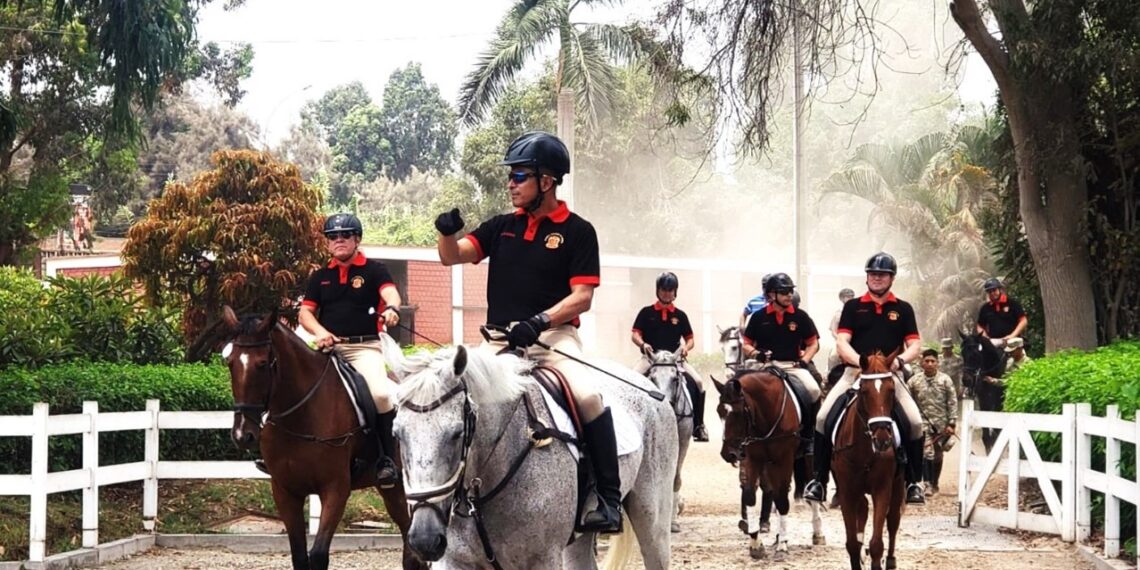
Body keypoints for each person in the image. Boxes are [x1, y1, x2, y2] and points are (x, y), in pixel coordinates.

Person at [434, 131, 621, 533]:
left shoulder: (577, 231)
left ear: (547, 181)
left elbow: (582, 297)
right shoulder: (501, 226)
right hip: (498, 343)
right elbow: (451, 257)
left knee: (588, 397)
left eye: (519, 176)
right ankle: (445, 497)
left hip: (552, 341)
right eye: (512, 177)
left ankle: (608, 498)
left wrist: (539, 322)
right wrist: (445, 232)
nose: (511, 184)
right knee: (450, 396)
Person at [804, 252, 928, 505]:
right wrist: (859, 360)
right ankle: (819, 481)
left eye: (882, 275)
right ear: (867, 277)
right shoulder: (853, 307)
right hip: (855, 373)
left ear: (891, 278)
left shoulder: (903, 309)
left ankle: (914, 482)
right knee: (822, 417)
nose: (876, 278)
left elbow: (914, 344)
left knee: (915, 422)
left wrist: (900, 361)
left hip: (889, 375)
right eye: (872, 274)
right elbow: (842, 342)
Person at [298, 212, 403, 487]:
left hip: (364, 347)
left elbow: (390, 294)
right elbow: (305, 314)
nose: (339, 240)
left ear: (357, 239)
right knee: (291, 382)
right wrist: (321, 333)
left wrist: (391, 309)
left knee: (381, 395)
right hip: (328, 348)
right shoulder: (319, 277)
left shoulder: (374, 270)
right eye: (333, 236)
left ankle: (386, 459)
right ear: (327, 243)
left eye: (345, 235)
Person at [740, 272, 822, 453]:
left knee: (814, 391)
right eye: (784, 292)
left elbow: (813, 343)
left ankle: (808, 437)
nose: (789, 295)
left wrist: (804, 360)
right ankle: (743, 437)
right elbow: (745, 344)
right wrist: (756, 354)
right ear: (771, 295)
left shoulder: (801, 317)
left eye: (790, 291)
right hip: (766, 367)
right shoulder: (758, 317)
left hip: (792, 367)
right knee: (741, 393)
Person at [632, 271, 709, 442]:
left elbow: (690, 339)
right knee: (632, 380)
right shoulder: (646, 312)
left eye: (670, 290)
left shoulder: (680, 315)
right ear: (658, 291)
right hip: (651, 359)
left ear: (675, 292)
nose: (667, 293)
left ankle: (699, 425)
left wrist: (685, 348)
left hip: (674, 360)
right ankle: (633, 421)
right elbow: (635, 334)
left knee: (698, 382)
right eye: (664, 290)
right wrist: (643, 344)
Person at [908, 349, 957, 496]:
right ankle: (927, 484)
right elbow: (908, 402)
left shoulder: (945, 380)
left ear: (937, 363)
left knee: (938, 454)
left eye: (932, 361)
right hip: (922, 423)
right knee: (926, 452)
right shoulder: (913, 381)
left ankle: (935, 483)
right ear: (922, 363)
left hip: (941, 424)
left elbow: (952, 402)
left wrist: (952, 423)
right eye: (926, 361)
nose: (929, 364)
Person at [976, 278, 1027, 345]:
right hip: (994, 341)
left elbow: (1023, 321)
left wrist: (1012, 335)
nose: (992, 293)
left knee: (1019, 354)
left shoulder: (1012, 303)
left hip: (1013, 339)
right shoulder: (985, 308)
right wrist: (985, 337)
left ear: (1000, 289)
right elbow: (980, 326)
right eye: (989, 291)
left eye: (994, 290)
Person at [827, 288, 856, 370]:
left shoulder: (858, 312)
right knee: (833, 356)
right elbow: (833, 330)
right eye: (846, 297)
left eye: (851, 296)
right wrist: (841, 340)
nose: (849, 298)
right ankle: (830, 377)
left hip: (856, 341)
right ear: (841, 298)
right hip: (841, 342)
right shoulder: (838, 314)